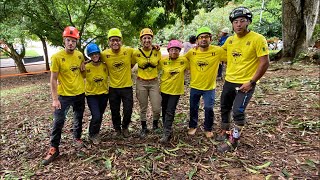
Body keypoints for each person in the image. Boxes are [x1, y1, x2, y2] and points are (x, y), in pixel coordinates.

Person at [216, 7, 270, 153]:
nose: (238, 24)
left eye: (242, 21)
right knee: (224, 107)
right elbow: (221, 54)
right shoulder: (230, 40)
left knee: (237, 112)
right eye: (235, 22)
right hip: (229, 80)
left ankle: (233, 141)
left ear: (248, 22)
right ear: (232, 24)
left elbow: (264, 62)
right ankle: (225, 131)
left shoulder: (258, 39)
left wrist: (251, 82)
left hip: (246, 83)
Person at [42, 26, 85, 165]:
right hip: (64, 95)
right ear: (64, 41)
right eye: (68, 40)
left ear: (76, 42)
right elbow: (53, 79)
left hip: (79, 93)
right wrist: (55, 99)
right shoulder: (57, 57)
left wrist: (84, 70)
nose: (71, 43)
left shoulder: (79, 55)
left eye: (73, 41)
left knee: (78, 117)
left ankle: (77, 137)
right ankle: (54, 148)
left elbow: (82, 73)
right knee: (58, 121)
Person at [185, 26, 226, 138]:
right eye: (201, 37)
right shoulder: (192, 52)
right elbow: (182, 61)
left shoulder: (217, 51)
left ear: (210, 39)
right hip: (195, 85)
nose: (204, 39)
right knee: (193, 107)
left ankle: (208, 128)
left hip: (209, 87)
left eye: (206, 37)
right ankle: (193, 126)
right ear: (197, 40)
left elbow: (230, 58)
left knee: (209, 108)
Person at [100, 28, 135, 138]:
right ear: (109, 42)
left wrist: (155, 47)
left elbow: (140, 54)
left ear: (121, 41)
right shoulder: (104, 54)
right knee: (114, 110)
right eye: (112, 40)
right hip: (113, 88)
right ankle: (117, 129)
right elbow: (94, 59)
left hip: (127, 87)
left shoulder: (129, 51)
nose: (115, 42)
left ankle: (125, 127)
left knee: (128, 109)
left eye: (117, 40)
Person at [132, 28, 162, 138]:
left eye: (149, 38)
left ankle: (155, 125)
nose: (147, 40)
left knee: (157, 107)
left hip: (154, 82)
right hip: (141, 82)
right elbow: (129, 64)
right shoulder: (136, 53)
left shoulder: (156, 52)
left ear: (152, 39)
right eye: (144, 38)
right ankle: (144, 127)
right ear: (141, 40)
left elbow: (160, 66)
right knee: (143, 107)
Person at [158, 40, 189, 143]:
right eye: (172, 50)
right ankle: (166, 129)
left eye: (176, 50)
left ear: (179, 51)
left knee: (170, 111)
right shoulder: (163, 61)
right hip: (164, 89)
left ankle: (167, 133)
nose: (174, 52)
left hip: (175, 91)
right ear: (168, 51)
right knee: (164, 109)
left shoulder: (184, 60)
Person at [84, 43, 109, 144]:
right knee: (96, 115)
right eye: (92, 54)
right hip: (91, 95)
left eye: (96, 53)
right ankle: (92, 134)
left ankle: (96, 132)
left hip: (103, 94)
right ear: (89, 55)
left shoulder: (104, 66)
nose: (95, 56)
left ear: (99, 54)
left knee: (100, 115)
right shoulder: (86, 67)